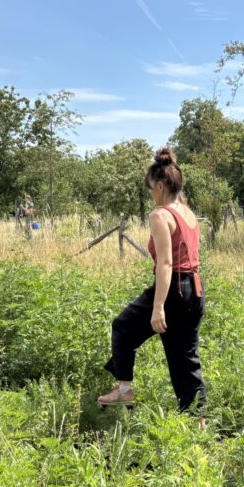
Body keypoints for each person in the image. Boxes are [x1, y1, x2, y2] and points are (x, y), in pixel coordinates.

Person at [98, 148, 206, 418]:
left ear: (160, 185)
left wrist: (159, 307)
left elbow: (166, 263)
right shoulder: (188, 213)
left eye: (150, 189)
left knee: (122, 327)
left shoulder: (161, 215)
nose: (150, 194)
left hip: (174, 291)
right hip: (195, 289)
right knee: (185, 357)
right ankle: (199, 420)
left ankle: (124, 391)